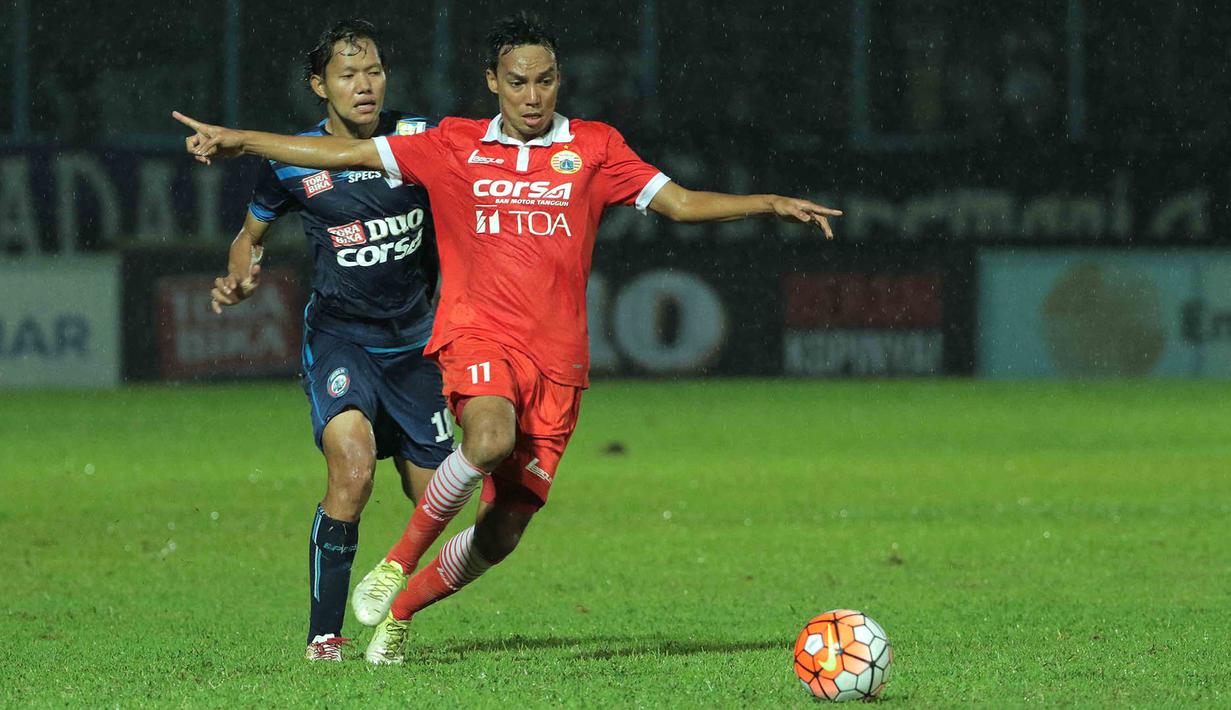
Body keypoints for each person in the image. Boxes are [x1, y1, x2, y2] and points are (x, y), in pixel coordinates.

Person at [175, 12, 842, 666]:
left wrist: (769, 202)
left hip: (512, 356)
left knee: (498, 523)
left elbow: (683, 203)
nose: (532, 95)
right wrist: (241, 146)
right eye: (518, 82)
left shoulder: (574, 146)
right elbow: (324, 167)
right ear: (492, 80)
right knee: (427, 455)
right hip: (428, 337)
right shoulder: (439, 146)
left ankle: (401, 611)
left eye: (545, 81)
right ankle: (357, 602)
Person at [205, 18, 453, 662]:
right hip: (343, 341)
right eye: (348, 74)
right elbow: (248, 237)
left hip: (420, 349)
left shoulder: (420, 138)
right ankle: (324, 635)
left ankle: (395, 610)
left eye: (372, 71)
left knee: (438, 500)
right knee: (351, 469)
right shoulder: (293, 163)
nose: (364, 85)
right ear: (320, 85)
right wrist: (239, 276)